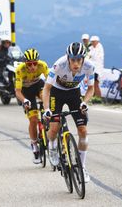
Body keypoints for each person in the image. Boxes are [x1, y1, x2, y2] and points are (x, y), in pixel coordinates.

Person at [42, 42, 95, 182]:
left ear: (83, 59)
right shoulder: (59, 65)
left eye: (79, 60)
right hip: (56, 93)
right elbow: (46, 89)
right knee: (53, 128)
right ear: (68, 58)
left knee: (83, 131)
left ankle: (82, 167)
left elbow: (91, 89)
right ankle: (52, 146)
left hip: (74, 93)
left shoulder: (89, 66)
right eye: (73, 60)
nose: (76, 64)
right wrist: (46, 109)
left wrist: (85, 102)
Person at [15, 48, 49, 164]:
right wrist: (24, 100)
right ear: (25, 63)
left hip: (38, 85)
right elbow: (18, 91)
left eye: (35, 63)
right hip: (25, 91)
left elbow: (51, 82)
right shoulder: (20, 70)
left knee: (46, 100)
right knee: (33, 120)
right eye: (30, 64)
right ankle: (34, 143)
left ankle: (48, 126)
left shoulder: (43, 66)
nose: (33, 66)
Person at [89, 35, 104, 101]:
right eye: (92, 41)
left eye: (94, 41)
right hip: (92, 68)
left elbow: (96, 58)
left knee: (96, 83)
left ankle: (99, 98)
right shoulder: (91, 48)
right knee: (92, 83)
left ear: (97, 41)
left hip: (97, 68)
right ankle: (94, 97)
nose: (93, 43)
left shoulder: (99, 47)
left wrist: (91, 56)